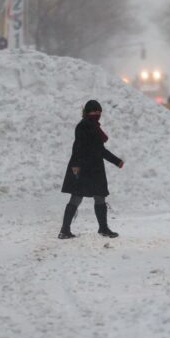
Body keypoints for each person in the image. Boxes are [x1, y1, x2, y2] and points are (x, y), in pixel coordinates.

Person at [59, 100, 124, 240]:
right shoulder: (83, 126)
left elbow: (100, 150)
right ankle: (64, 230)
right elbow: (77, 147)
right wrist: (75, 166)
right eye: (94, 111)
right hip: (83, 167)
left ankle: (103, 228)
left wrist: (116, 161)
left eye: (99, 111)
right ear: (87, 112)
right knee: (76, 197)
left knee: (100, 196)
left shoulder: (94, 127)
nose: (97, 113)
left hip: (95, 168)